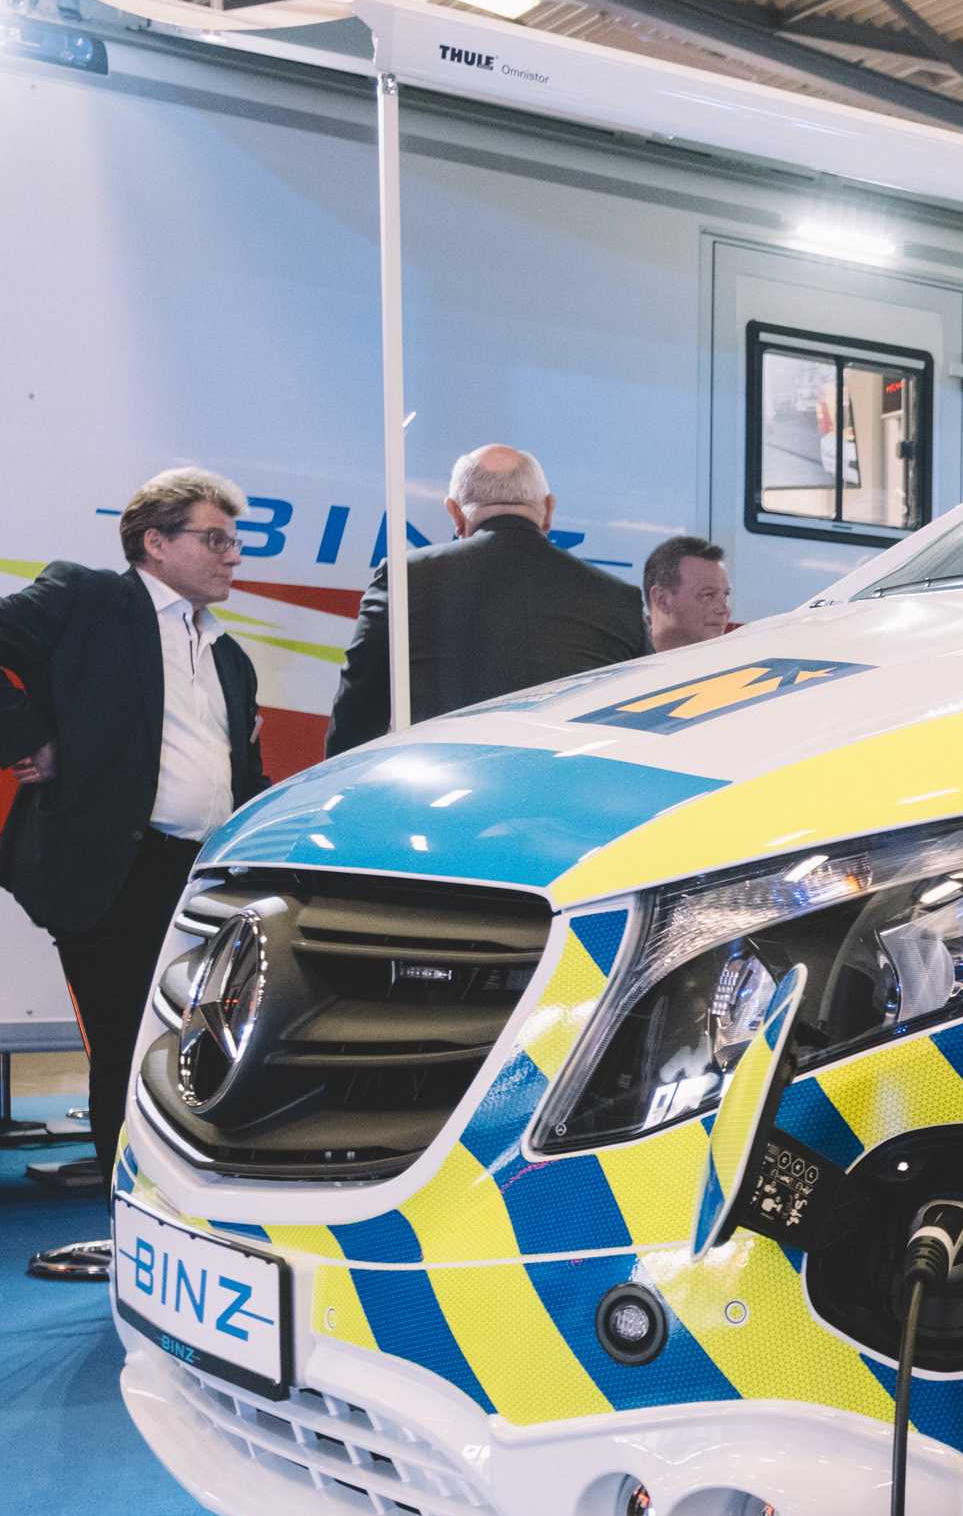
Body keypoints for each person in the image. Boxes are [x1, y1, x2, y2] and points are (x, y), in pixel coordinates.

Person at [0, 468, 269, 1212]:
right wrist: (32, 738)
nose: (233, 555)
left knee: (204, 1051)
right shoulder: (84, 597)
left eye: (234, 541)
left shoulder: (229, 655)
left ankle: (192, 1210)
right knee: (129, 1048)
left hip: (208, 878)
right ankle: (135, 1216)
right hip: (115, 873)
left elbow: (239, 774)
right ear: (155, 542)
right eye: (214, 539)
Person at [326, 445, 647, 752]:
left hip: (444, 783)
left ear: (455, 513)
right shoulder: (620, 599)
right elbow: (645, 725)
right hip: (572, 785)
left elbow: (355, 721)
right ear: (549, 510)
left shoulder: (405, 579)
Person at [643, 535, 733, 652]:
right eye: (708, 595)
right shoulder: (622, 658)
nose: (724, 610)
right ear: (662, 599)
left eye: (726, 595)